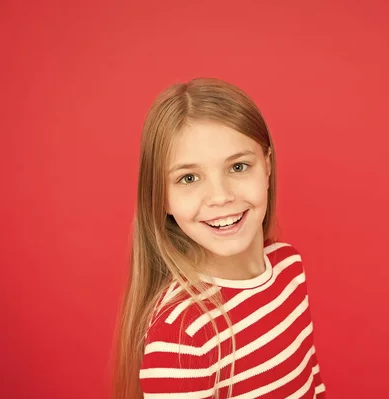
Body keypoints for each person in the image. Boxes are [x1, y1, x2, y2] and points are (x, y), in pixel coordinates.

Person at [113, 78, 326, 398]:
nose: (220, 197)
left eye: (238, 166)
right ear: (161, 197)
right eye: (188, 177)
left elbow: (311, 383)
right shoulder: (183, 336)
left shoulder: (289, 267)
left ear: (266, 166)